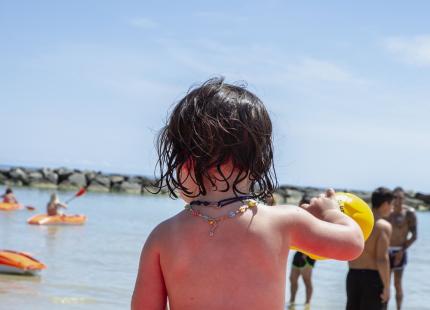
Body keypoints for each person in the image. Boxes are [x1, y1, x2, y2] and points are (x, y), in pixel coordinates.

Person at [131, 78, 364, 310]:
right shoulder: (282, 221)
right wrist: (331, 212)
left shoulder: (163, 236)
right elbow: (352, 245)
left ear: (184, 163)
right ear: (259, 160)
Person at [346, 187, 394, 310]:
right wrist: (387, 287)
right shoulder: (383, 226)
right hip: (372, 279)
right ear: (384, 204)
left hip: (353, 276)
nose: (392, 208)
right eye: (391, 204)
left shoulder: (357, 222)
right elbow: (382, 259)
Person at [387, 187, 417, 310]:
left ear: (404, 198)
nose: (398, 200)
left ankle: (399, 308)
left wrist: (402, 251)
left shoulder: (409, 214)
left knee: (397, 284)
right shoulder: (387, 213)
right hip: (385, 251)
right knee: (384, 283)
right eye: (395, 197)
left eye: (400, 198)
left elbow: (414, 236)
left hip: (400, 251)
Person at [289, 194, 315, 307]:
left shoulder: (313, 219)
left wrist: (307, 253)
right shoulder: (298, 217)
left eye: (302, 204)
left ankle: (307, 304)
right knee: (292, 278)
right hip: (298, 252)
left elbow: (315, 237)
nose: (299, 206)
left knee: (306, 280)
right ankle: (292, 302)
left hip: (308, 254)